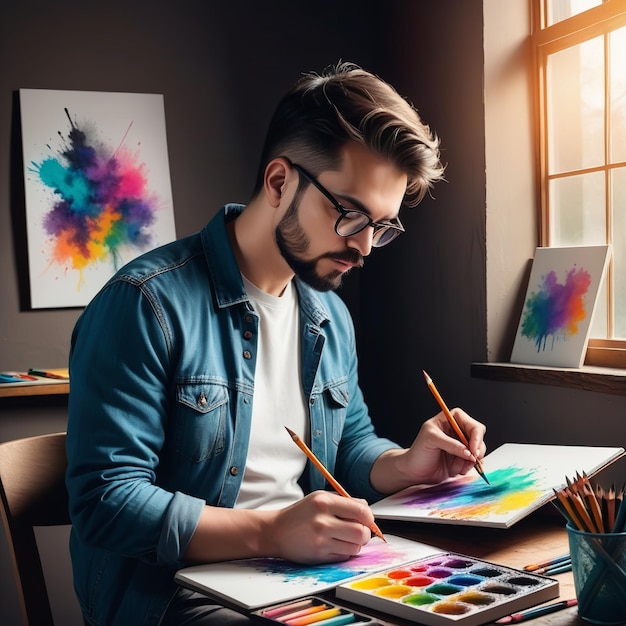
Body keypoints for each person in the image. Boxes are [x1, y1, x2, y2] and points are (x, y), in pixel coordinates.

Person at [66, 61, 487, 625]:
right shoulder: (145, 304)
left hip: (316, 577)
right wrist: (271, 530)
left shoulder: (329, 314)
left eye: (381, 226)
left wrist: (404, 465)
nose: (364, 246)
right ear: (279, 182)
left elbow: (348, 448)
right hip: (171, 595)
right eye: (349, 214)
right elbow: (106, 504)